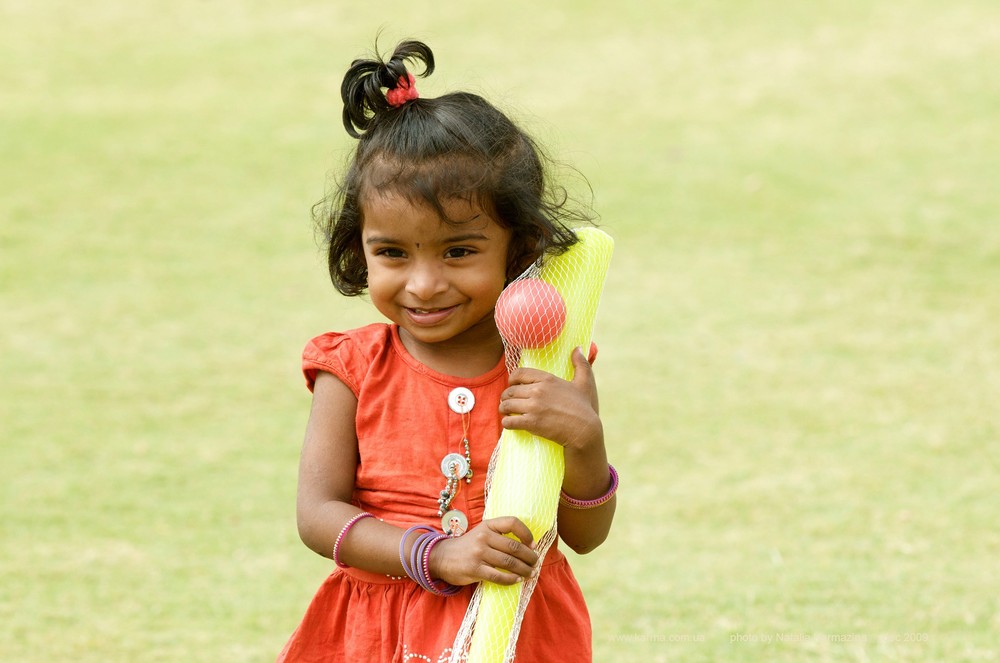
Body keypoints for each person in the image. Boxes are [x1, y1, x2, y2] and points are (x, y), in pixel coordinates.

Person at [276, 39, 617, 663]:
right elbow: (318, 516)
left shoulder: (550, 363)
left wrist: (585, 441)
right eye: (392, 253)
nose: (424, 284)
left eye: (459, 251)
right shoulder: (351, 368)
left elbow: (586, 536)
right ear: (360, 249)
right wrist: (434, 555)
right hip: (378, 633)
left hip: (516, 625)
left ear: (520, 247)